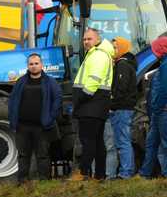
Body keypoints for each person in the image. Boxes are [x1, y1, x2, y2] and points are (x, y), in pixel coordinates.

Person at [8, 53, 62, 183]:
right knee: (23, 155)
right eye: (31, 64)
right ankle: (23, 181)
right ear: (28, 66)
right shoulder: (21, 82)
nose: (34, 66)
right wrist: (13, 120)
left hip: (42, 126)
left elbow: (57, 100)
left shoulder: (50, 82)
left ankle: (44, 181)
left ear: (41, 65)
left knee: (42, 155)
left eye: (36, 63)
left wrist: (50, 118)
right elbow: (12, 101)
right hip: (22, 126)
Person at [70, 28, 114, 181]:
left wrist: (82, 97)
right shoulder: (97, 54)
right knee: (97, 141)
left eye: (89, 39)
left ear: (97, 39)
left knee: (88, 140)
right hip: (97, 105)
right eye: (84, 39)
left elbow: (94, 79)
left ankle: (83, 173)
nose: (86, 42)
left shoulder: (99, 55)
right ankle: (99, 175)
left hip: (91, 104)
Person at [139, 36, 167, 178]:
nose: (153, 53)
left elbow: (164, 90)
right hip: (165, 111)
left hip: (165, 111)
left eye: (155, 50)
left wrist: (156, 108)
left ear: (159, 50)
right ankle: (145, 174)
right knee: (152, 144)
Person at [106, 36, 137, 180]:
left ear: (122, 48)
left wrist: (112, 104)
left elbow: (121, 89)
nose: (113, 50)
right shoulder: (125, 64)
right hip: (124, 108)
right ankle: (127, 170)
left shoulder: (122, 65)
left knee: (122, 140)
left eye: (115, 47)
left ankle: (126, 172)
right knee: (123, 140)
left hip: (122, 109)